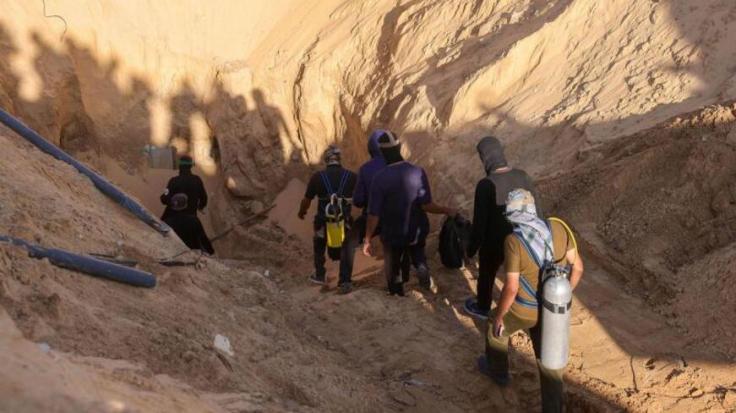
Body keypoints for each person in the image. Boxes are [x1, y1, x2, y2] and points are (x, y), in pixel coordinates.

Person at [480, 189, 584, 413]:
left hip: (523, 309)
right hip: (552, 309)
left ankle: (498, 372)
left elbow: (511, 288)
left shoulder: (513, 241)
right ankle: (553, 408)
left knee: (494, 326)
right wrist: (561, 296)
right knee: (549, 361)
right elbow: (578, 268)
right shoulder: (559, 228)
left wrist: (499, 316)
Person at [362, 130, 455, 296]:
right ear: (399, 147)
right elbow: (426, 205)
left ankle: (397, 293)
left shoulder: (380, 179)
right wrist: (446, 210)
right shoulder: (418, 172)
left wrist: (367, 239)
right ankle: (424, 281)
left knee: (393, 266)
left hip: (392, 234)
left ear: (382, 152)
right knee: (418, 256)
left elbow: (373, 215)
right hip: (416, 230)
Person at [464, 136, 542, 319]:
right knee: (521, 274)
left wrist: (471, 249)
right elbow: (537, 209)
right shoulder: (522, 176)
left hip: (496, 243)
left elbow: (480, 223)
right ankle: (522, 305)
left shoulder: (485, 185)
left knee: (487, 269)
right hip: (523, 238)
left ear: (484, 158)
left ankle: (483, 306)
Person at [298, 145, 358, 293]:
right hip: (344, 221)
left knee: (319, 244)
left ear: (326, 160)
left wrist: (302, 212)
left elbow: (307, 200)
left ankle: (319, 274)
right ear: (339, 159)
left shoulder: (317, 177)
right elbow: (360, 197)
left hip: (323, 221)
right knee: (348, 247)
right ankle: (345, 280)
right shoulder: (352, 177)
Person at [160, 155, 208, 221]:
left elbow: (164, 198)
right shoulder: (197, 180)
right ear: (190, 166)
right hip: (191, 218)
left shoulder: (173, 181)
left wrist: (169, 201)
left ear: (180, 166)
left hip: (174, 218)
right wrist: (200, 206)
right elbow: (204, 198)